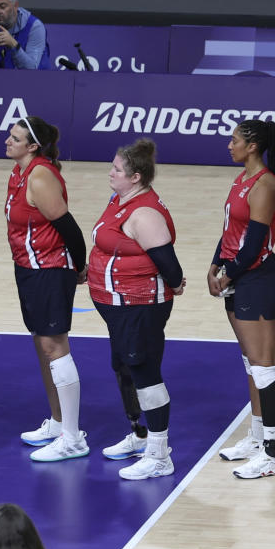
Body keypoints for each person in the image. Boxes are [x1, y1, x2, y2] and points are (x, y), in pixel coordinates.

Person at [88, 138, 185, 480]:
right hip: (118, 306)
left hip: (140, 307)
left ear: (137, 177)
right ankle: (140, 436)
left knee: (145, 373)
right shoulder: (120, 200)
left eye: (117, 169)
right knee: (125, 367)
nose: (110, 173)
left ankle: (159, 455)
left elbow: (171, 268)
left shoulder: (144, 213)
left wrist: (173, 284)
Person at [4, 116, 89, 462]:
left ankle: (72, 437)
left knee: (54, 346)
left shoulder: (39, 177)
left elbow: (69, 227)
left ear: (33, 146)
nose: (8, 140)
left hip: (50, 271)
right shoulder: (18, 173)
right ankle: (57, 422)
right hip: (29, 268)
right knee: (43, 346)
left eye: (16, 138)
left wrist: (79, 267)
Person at [209, 120, 275, 480]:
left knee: (263, 366)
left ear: (254, 146)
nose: (230, 145)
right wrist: (214, 265)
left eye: (235, 140)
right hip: (238, 275)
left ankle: (272, 453)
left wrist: (228, 274)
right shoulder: (241, 179)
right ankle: (257, 437)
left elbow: (255, 245)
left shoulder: (265, 184)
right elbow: (230, 231)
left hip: (257, 278)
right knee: (250, 364)